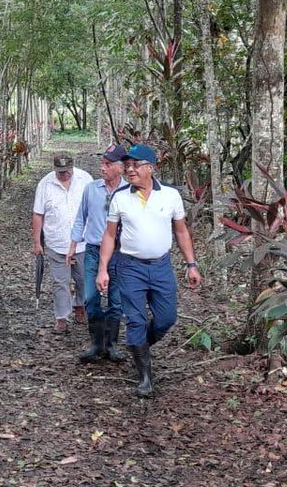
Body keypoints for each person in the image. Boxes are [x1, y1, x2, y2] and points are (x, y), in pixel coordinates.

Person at [97, 144, 203, 397]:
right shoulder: (121, 197)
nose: (129, 170)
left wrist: (192, 264)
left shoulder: (170, 196)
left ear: (150, 168)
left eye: (135, 165)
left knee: (167, 318)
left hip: (161, 266)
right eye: (127, 166)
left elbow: (180, 231)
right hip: (129, 267)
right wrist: (103, 269)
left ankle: (139, 344)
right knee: (136, 320)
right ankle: (145, 377)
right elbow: (110, 235)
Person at [68, 144, 128, 362]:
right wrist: (73, 245)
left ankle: (111, 344)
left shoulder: (130, 192)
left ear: (121, 168)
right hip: (93, 250)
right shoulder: (91, 189)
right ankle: (96, 343)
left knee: (117, 301)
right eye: (102, 163)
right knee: (91, 298)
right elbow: (80, 218)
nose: (102, 168)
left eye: (108, 164)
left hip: (121, 253)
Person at [32, 154, 92, 333]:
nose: (64, 175)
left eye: (67, 172)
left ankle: (80, 305)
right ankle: (61, 317)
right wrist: (37, 242)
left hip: (82, 243)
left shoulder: (85, 180)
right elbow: (38, 214)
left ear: (73, 168)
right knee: (60, 282)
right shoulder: (45, 184)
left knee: (83, 279)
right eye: (60, 172)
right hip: (56, 243)